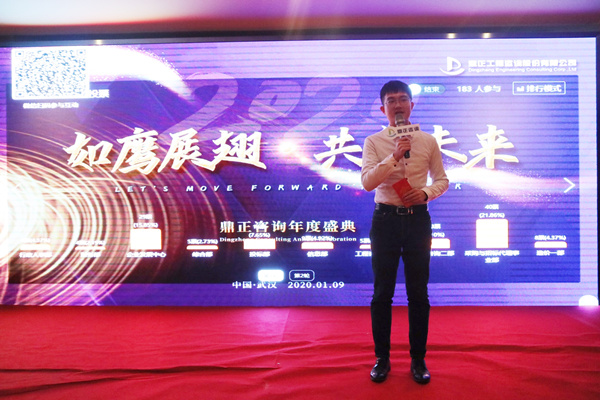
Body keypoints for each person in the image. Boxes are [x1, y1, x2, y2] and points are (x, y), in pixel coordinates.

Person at [361, 80, 449, 384]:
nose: (397, 105)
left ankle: (418, 359)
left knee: (418, 293)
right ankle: (382, 359)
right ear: (382, 108)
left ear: (412, 105)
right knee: (382, 293)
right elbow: (368, 182)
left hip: (417, 221)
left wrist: (425, 193)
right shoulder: (374, 142)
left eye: (402, 99)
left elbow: (442, 180)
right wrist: (395, 155)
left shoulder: (428, 141)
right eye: (391, 101)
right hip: (385, 221)